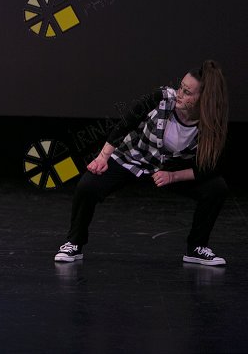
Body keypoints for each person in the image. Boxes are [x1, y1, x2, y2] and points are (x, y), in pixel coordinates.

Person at [54, 60, 229, 265]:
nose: (179, 94)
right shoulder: (161, 98)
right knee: (88, 185)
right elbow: (126, 123)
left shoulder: (211, 123)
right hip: (134, 156)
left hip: (167, 169)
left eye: (187, 92)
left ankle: (197, 248)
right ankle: (74, 243)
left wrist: (173, 176)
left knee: (216, 188)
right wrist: (103, 157)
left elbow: (209, 167)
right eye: (181, 87)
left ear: (204, 99)